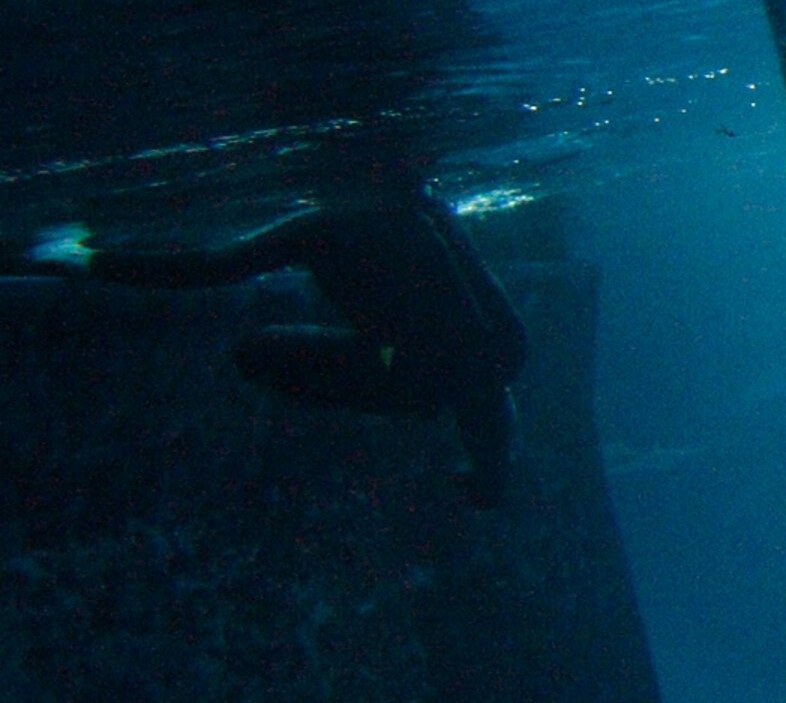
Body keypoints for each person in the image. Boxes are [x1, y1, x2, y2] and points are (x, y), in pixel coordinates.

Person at [30, 186, 528, 505]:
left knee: (264, 351)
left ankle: (481, 458)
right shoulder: (419, 212)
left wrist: (88, 260)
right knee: (466, 366)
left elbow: (210, 269)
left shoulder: (328, 228)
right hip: (425, 360)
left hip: (410, 362)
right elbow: (480, 370)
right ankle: (484, 462)